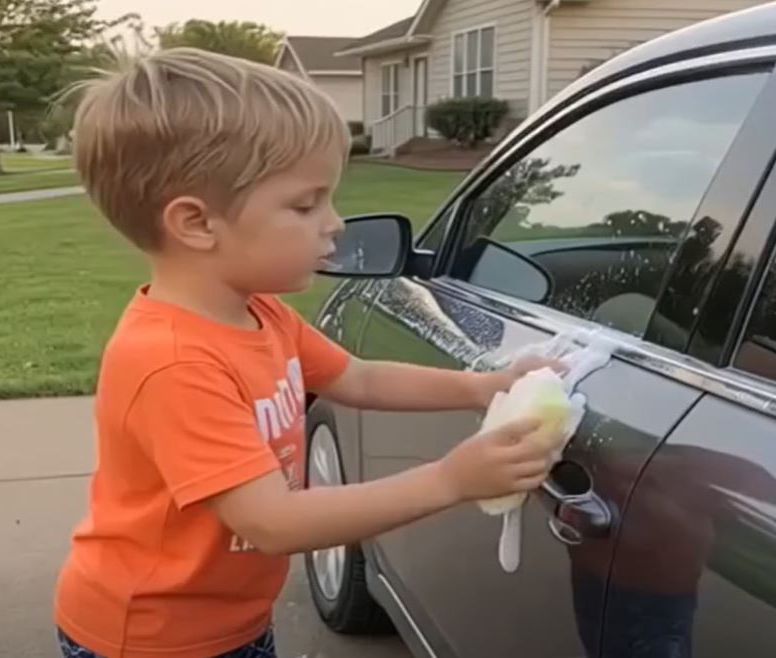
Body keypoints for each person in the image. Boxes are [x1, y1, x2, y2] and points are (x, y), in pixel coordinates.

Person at [53, 48, 561, 658]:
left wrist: (484, 386)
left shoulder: (259, 311)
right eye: (305, 205)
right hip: (149, 640)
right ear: (195, 223)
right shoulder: (172, 361)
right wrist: (451, 479)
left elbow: (362, 379)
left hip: (227, 624)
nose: (334, 224)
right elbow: (273, 523)